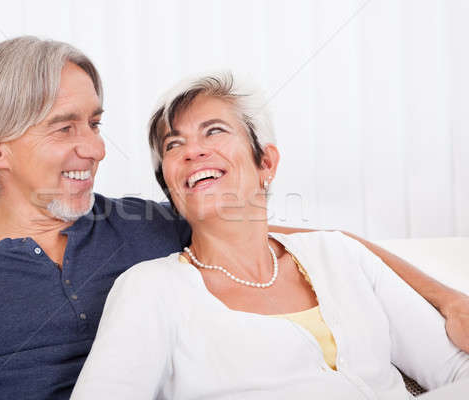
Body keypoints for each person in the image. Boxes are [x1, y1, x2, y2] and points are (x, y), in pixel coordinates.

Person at [0, 37, 466, 399]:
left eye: (96, 123)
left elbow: (312, 242)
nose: (97, 148)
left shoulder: (145, 228)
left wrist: (447, 299)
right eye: (65, 127)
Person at [71, 72, 469, 399]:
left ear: (266, 162)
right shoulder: (149, 289)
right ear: (171, 189)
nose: (193, 152)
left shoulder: (340, 254)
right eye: (174, 145)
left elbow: (456, 370)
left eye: (213, 132)